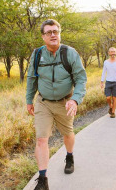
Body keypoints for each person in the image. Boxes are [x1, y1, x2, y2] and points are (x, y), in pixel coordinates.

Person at [26, 19, 87, 190]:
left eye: (56, 31)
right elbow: (32, 78)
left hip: (64, 103)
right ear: (43, 36)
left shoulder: (70, 53)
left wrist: (75, 99)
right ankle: (43, 179)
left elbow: (81, 79)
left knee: (67, 134)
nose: (53, 34)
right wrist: (29, 100)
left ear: (59, 33)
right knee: (41, 139)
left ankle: (69, 156)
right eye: (49, 32)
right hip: (43, 102)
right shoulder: (37, 54)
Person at [100, 47, 116, 118]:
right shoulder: (106, 62)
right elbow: (104, 72)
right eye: (111, 52)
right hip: (108, 82)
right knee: (108, 97)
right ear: (109, 53)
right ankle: (111, 106)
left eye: (114, 51)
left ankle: (113, 112)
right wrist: (102, 82)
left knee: (114, 98)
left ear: (115, 53)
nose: (113, 53)